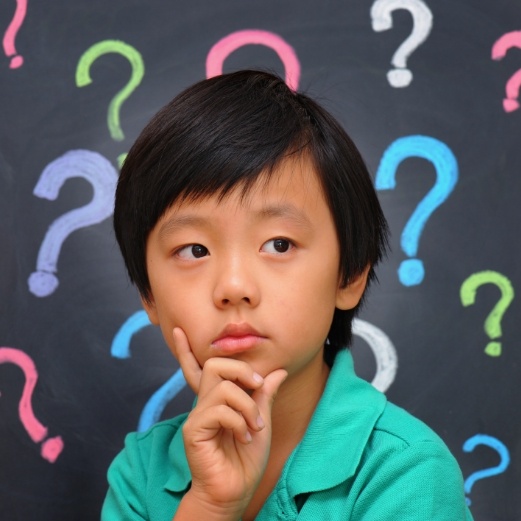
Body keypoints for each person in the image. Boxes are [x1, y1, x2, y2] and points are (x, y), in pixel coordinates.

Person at [102, 69, 473, 520]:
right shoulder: (139, 473)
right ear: (149, 296)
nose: (234, 287)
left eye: (279, 244)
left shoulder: (406, 473)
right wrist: (211, 505)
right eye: (193, 250)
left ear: (349, 276)